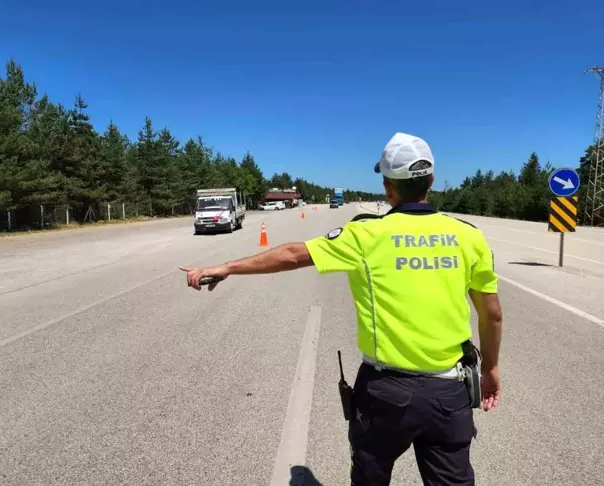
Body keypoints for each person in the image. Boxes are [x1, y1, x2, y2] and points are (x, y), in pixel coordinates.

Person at [181, 132, 503, 486]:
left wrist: (226, 267)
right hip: (449, 392)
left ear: (387, 187)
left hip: (385, 392)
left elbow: (292, 255)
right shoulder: (467, 236)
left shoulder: (365, 235)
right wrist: (490, 368)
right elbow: (491, 314)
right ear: (430, 180)